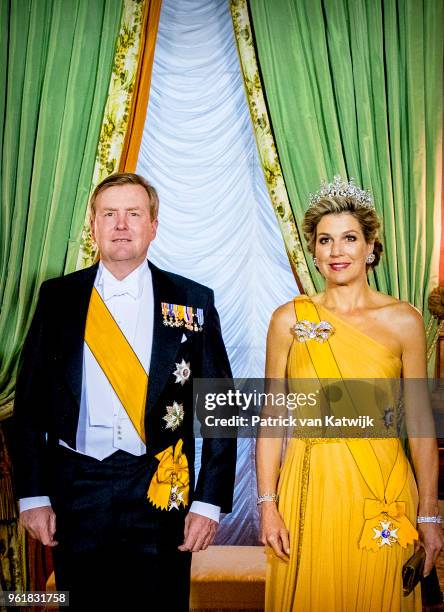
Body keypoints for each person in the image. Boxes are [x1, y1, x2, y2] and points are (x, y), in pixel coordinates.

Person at [12, 172, 237, 610]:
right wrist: (34, 495)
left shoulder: (192, 299)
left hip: (160, 489)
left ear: (153, 225)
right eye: (108, 214)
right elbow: (28, 405)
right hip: (76, 488)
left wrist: (209, 502)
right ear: (92, 226)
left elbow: (221, 408)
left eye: (133, 213)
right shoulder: (57, 297)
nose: (120, 224)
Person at [256, 176, 443, 611]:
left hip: (383, 489)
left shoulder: (404, 320)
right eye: (325, 240)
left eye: (349, 238)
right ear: (314, 251)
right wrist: (268, 505)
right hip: (309, 488)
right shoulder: (288, 319)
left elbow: (419, 425)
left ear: (370, 247)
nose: (337, 251)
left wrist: (430, 514)